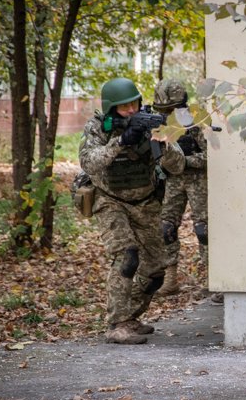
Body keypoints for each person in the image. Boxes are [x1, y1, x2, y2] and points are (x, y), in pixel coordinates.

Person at [79, 77, 186, 344]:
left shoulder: (150, 123)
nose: (131, 111)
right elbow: (89, 163)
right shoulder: (98, 127)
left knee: (155, 271)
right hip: (109, 199)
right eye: (124, 107)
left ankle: (130, 317)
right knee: (127, 256)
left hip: (146, 202)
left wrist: (162, 143)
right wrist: (121, 141)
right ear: (111, 109)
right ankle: (116, 324)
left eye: (135, 104)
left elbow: (178, 166)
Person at [151, 79, 219, 302]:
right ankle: (169, 280)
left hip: (198, 179)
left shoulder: (196, 119)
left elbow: (212, 155)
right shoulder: (158, 122)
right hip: (172, 181)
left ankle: (214, 280)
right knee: (166, 227)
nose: (167, 114)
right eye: (163, 110)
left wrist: (186, 161)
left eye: (170, 109)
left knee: (204, 229)